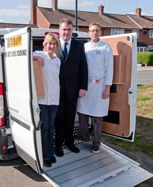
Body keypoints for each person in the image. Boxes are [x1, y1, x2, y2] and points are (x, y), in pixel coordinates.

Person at [77, 22, 114, 153]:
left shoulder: (106, 47)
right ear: (89, 32)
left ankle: (96, 143)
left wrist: (107, 88)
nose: (94, 33)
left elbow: (110, 69)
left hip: (100, 85)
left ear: (100, 32)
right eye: (92, 31)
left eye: (97, 30)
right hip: (86, 85)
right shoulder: (85, 47)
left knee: (98, 117)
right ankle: (84, 136)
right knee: (82, 113)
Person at [55, 18, 88, 157]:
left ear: (72, 30)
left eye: (69, 29)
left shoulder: (79, 45)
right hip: (56, 90)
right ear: (59, 30)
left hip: (73, 89)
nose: (66, 32)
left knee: (70, 118)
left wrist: (83, 87)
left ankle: (70, 142)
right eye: (64, 29)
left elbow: (83, 67)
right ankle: (58, 145)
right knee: (59, 118)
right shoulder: (53, 44)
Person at [33, 33, 61, 167]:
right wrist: (37, 57)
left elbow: (56, 80)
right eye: (49, 43)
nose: (51, 46)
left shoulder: (57, 60)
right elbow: (26, 56)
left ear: (56, 46)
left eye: (54, 44)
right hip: (43, 100)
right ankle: (45, 156)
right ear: (45, 44)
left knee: (51, 128)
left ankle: (51, 153)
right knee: (45, 127)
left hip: (55, 99)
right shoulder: (40, 54)